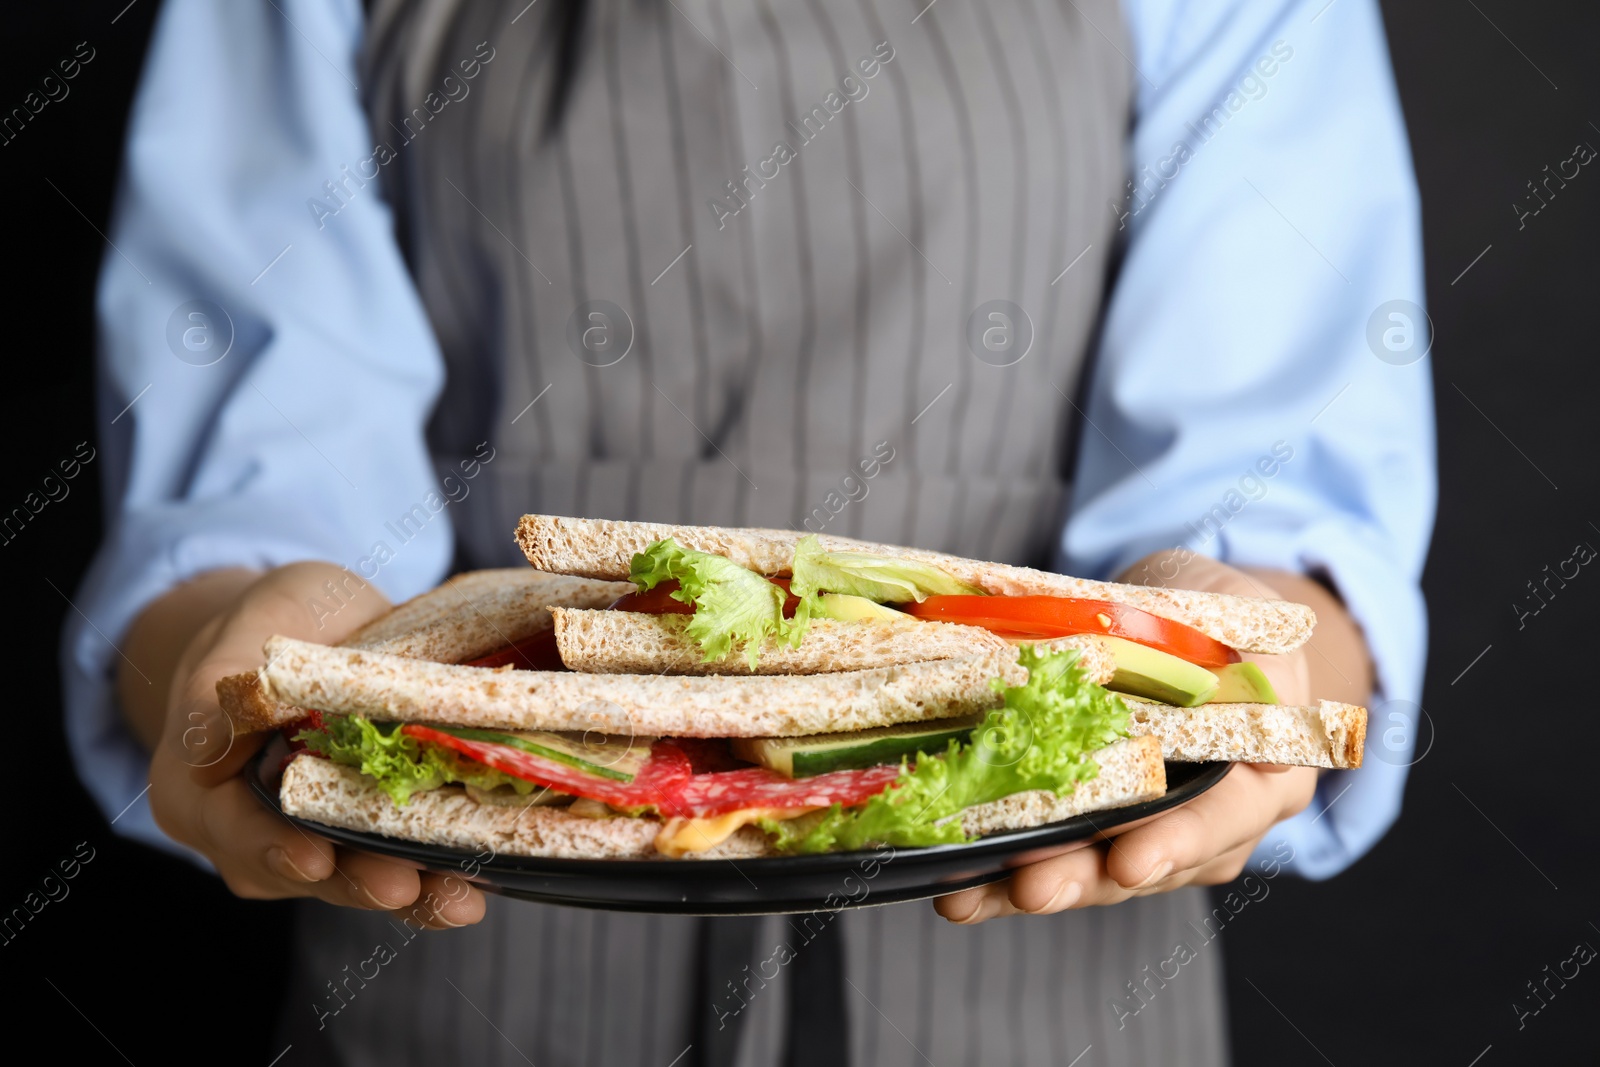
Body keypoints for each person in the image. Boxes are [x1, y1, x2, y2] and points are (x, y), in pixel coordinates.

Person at [65, 0, 1433, 1063]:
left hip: (1060, 995)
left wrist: (1242, 662)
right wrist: (217, 666)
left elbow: (1291, 533)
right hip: (463, 979)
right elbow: (231, 517)